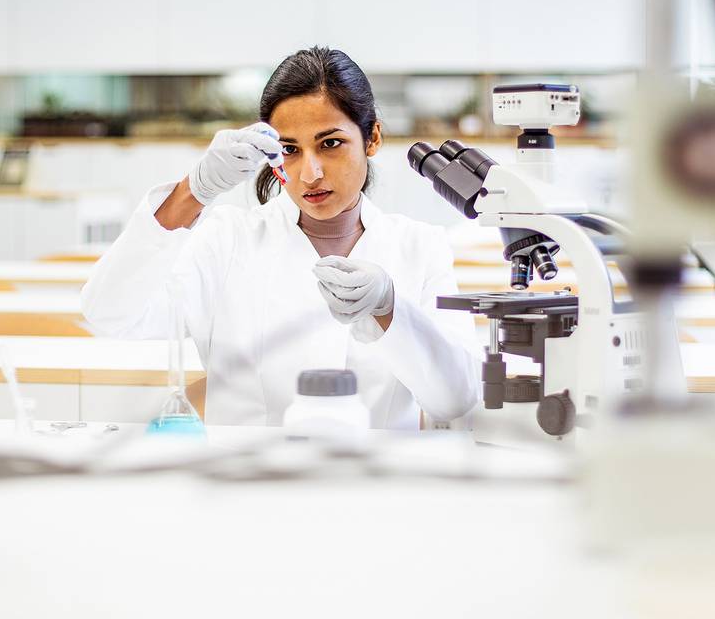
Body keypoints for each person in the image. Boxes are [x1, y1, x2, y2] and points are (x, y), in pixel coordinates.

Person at [81, 47, 478, 428]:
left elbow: (455, 398)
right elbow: (110, 315)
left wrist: (390, 309)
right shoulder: (228, 240)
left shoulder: (419, 247)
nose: (310, 174)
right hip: (245, 484)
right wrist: (193, 191)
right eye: (289, 149)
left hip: (373, 485)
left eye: (331, 144)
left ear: (372, 138)